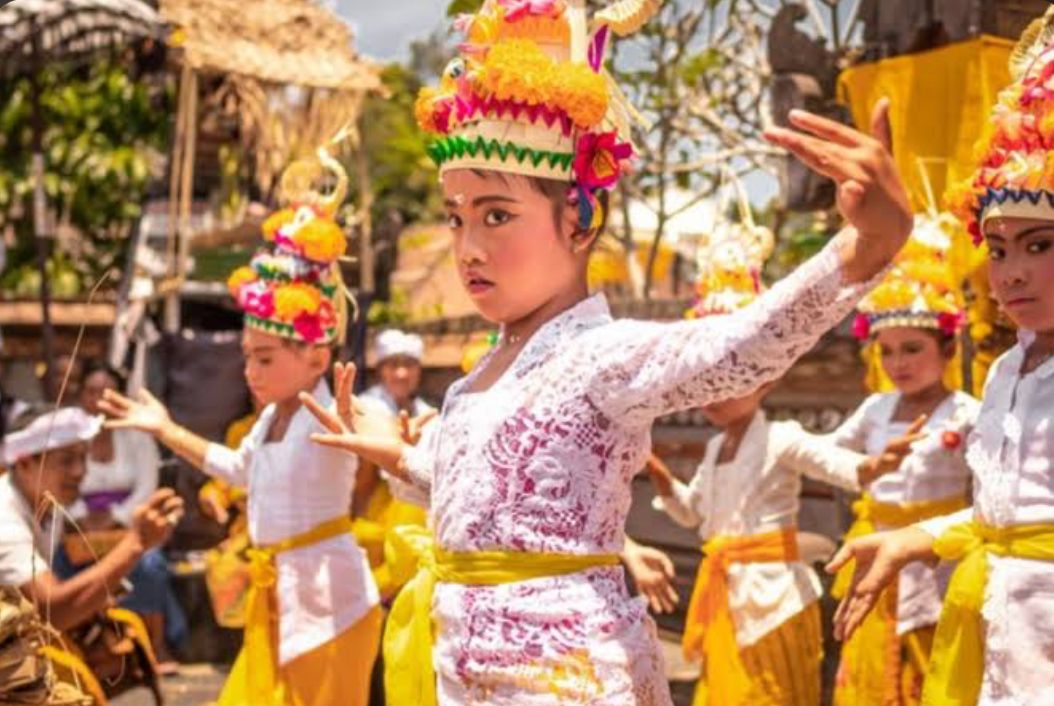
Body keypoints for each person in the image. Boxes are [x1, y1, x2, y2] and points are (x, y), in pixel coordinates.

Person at [296, 1, 914, 702]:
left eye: (498, 215)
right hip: (461, 674)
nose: (469, 247)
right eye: (456, 217)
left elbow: (740, 345)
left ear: (580, 218)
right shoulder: (478, 378)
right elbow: (508, 505)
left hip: (570, 681)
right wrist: (400, 458)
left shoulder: (603, 355)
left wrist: (864, 249)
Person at [98, 147, 382, 706]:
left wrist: (397, 435)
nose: (250, 372)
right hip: (276, 597)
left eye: (266, 359)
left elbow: (372, 435)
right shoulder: (274, 416)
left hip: (330, 604)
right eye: (247, 358)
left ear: (318, 358)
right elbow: (236, 469)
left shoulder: (335, 410)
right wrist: (163, 427)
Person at [828, 10, 1054, 704]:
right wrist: (912, 539)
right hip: (991, 627)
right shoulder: (1006, 373)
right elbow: (1006, 522)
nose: (1011, 273)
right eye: (1000, 249)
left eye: (1040, 245)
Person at [642, 222, 918, 706]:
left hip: (776, 601)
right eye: (706, 379)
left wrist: (875, 465)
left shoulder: (781, 438)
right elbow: (692, 515)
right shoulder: (712, 450)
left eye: (730, 378)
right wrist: (658, 471)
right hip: (727, 597)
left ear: (764, 378)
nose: (715, 392)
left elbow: (838, 465)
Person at [829, 214, 980, 706]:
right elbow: (826, 455)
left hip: (937, 559)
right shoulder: (875, 409)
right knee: (869, 673)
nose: (899, 364)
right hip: (873, 549)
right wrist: (867, 469)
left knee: (931, 673)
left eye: (913, 349)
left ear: (948, 348)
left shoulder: (970, 414)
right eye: (888, 352)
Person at [0, 406, 182, 705]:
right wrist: (134, 544)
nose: (79, 471)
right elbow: (51, 611)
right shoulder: (5, 519)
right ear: (24, 463)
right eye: (66, 460)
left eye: (82, 458)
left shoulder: (48, 505)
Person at [58, 361, 186, 673]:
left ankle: (155, 647)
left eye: (106, 392)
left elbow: (147, 484)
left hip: (128, 524)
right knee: (59, 564)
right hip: (77, 528)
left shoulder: (137, 433)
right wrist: (81, 518)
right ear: (81, 396)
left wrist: (115, 517)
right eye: (91, 392)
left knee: (151, 564)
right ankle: (77, 649)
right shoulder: (66, 436)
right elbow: (56, 482)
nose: (98, 399)